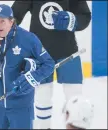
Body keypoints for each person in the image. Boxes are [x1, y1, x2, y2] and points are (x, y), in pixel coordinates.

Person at [12, 0, 91, 128]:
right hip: (39, 53)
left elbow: (85, 15)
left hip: (68, 50)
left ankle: (75, 126)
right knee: (42, 97)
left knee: (75, 97)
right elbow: (15, 14)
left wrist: (73, 20)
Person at [0, 4, 55, 129]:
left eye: (2, 21)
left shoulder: (28, 39)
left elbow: (49, 64)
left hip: (21, 106)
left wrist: (33, 78)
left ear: (11, 21)